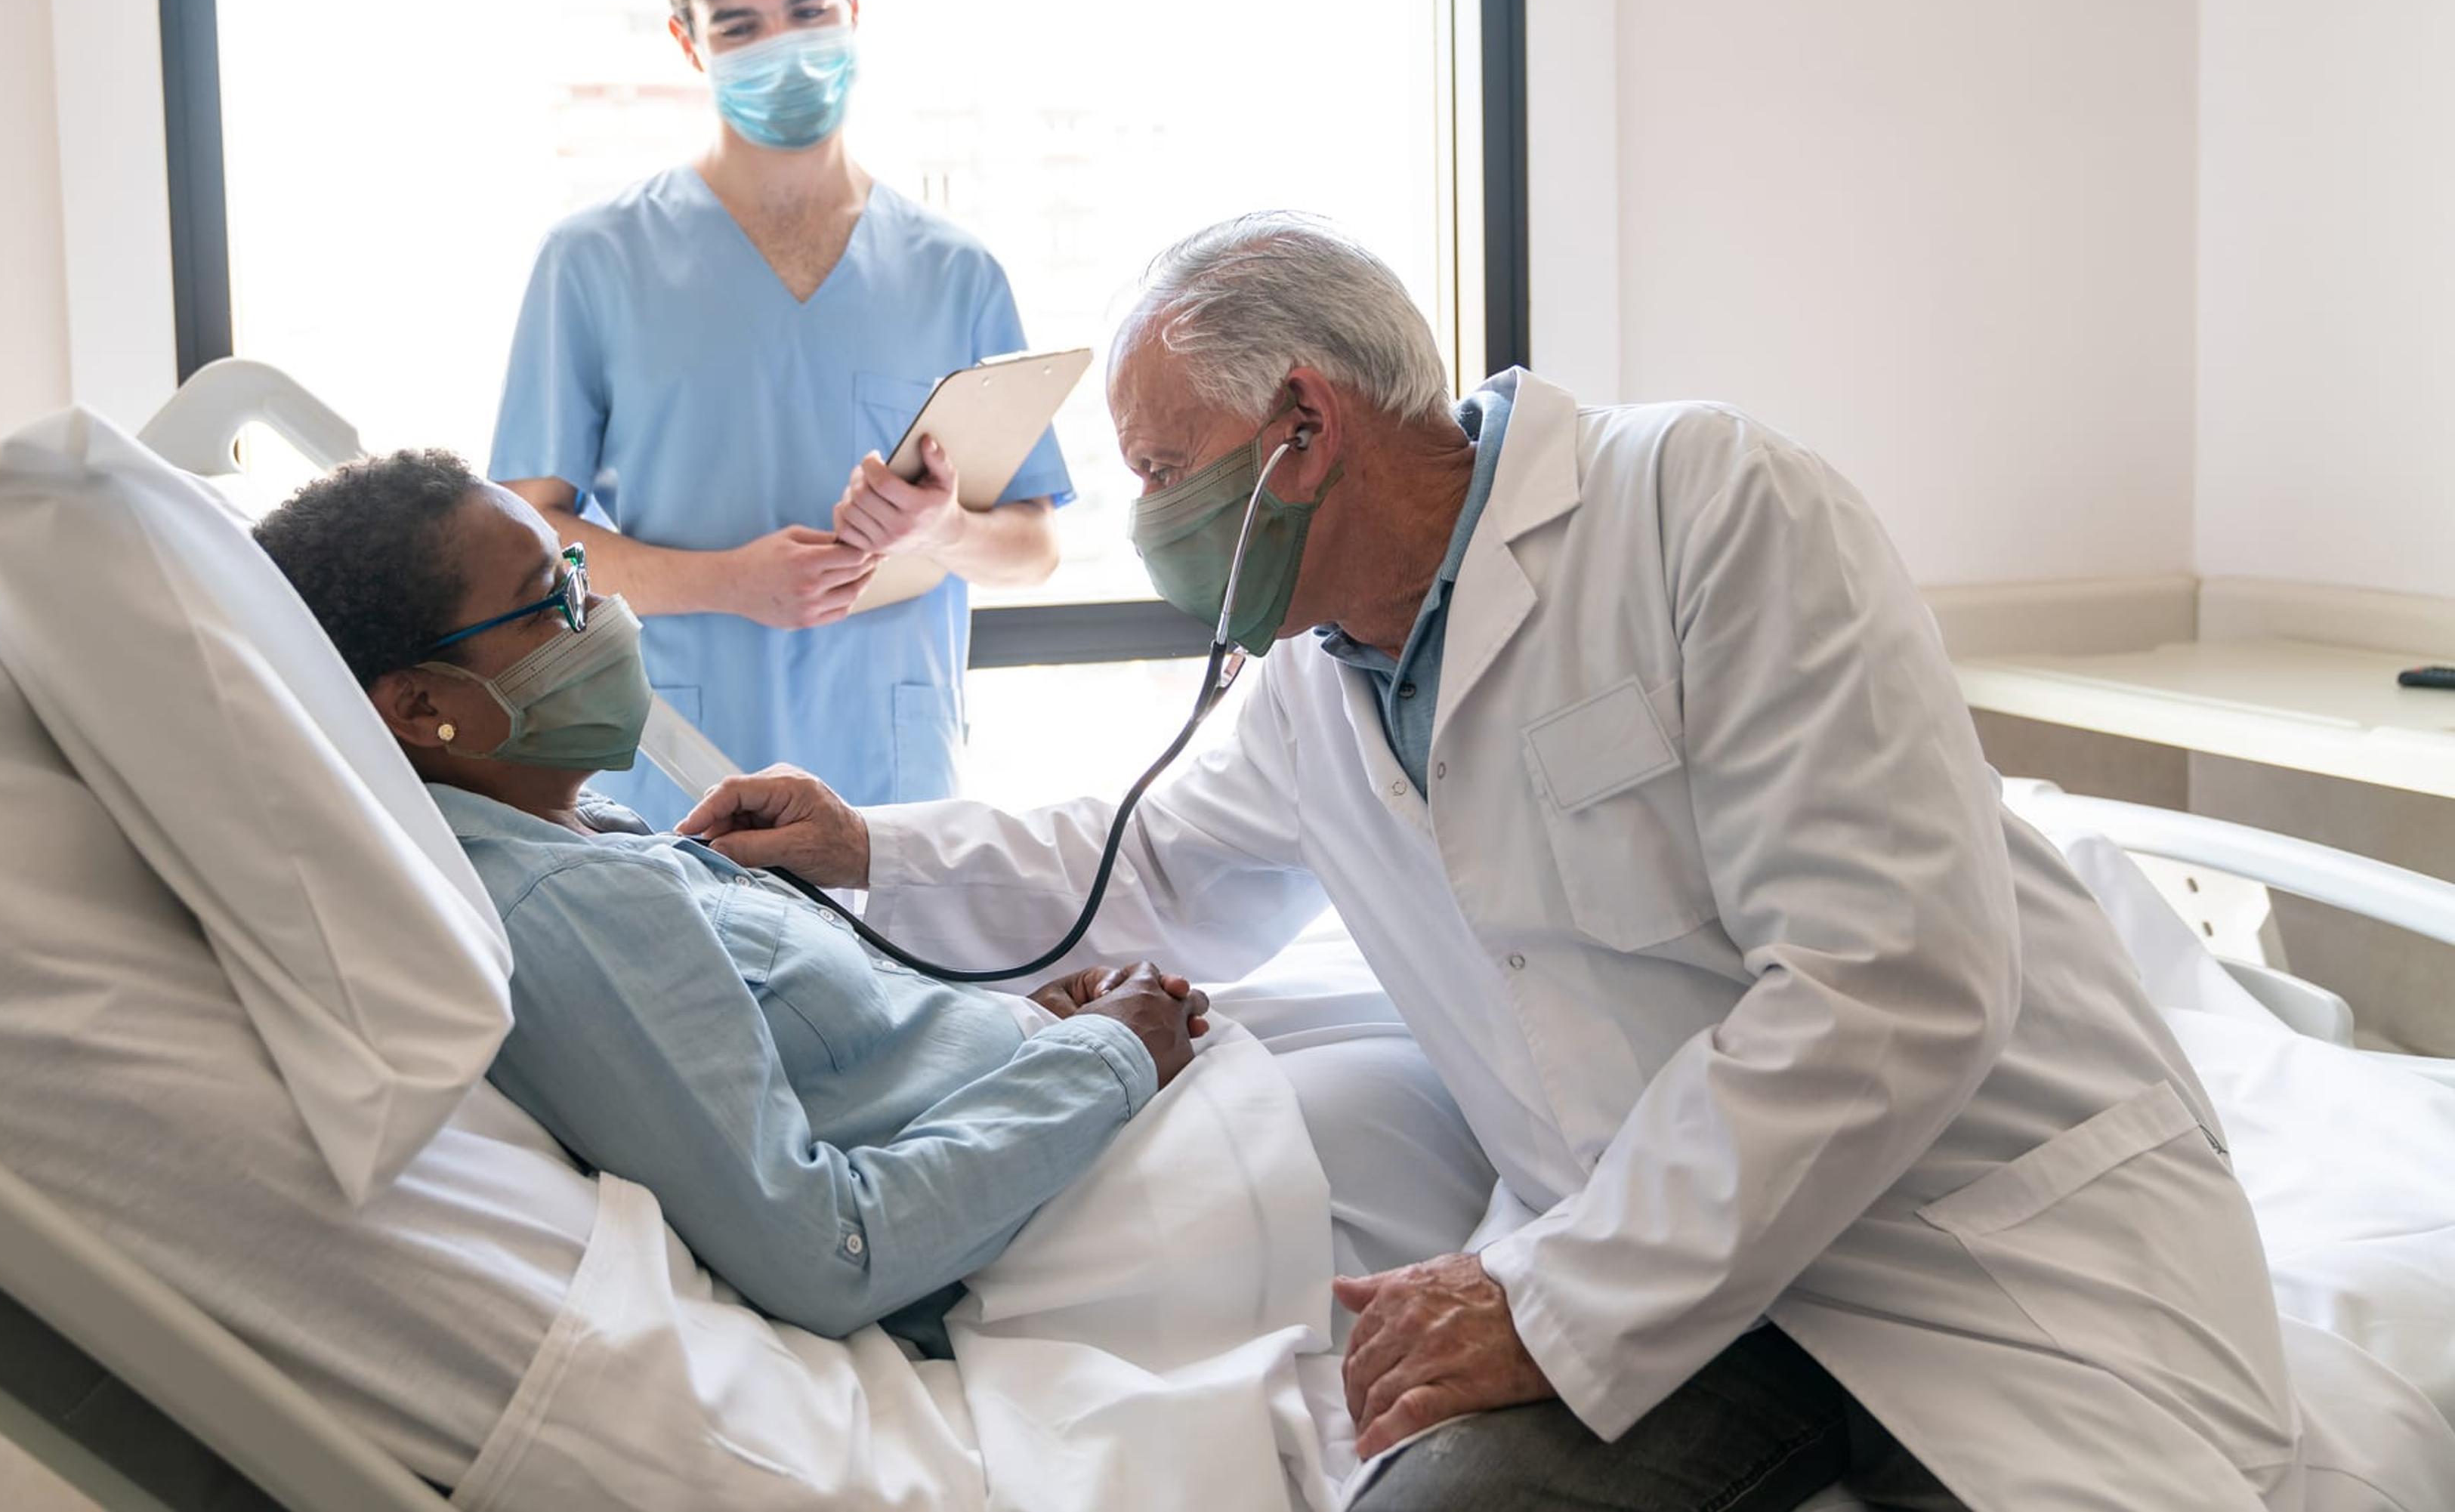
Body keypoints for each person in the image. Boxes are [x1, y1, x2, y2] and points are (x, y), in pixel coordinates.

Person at [676, 215, 2307, 1512]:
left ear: (1304, 424)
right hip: (1679, 1273)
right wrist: (865, 846)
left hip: (1970, 1250)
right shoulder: (1319, 681)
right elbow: (1154, 864)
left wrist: (1545, 1302)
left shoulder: (1704, 508)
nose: (1152, 522)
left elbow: (1895, 978)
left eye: (1167, 470)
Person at [249, 449, 1179, 1352]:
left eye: (579, 571)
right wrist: (1108, 1056)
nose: (606, 610)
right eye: (553, 602)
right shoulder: (564, 904)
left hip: (1058, 1123)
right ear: (417, 708)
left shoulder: (568, 827)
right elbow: (829, 1251)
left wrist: (1013, 1026)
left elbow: (828, 1059)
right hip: (1070, 1216)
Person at [493, 0, 1068, 829]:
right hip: (677, 789)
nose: (785, 49)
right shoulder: (594, 263)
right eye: (741, 28)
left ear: (853, 0)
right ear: (687, 42)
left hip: (896, 800)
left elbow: (1037, 547)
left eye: (808, 13)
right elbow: (534, 555)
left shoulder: (955, 274)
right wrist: (724, 583)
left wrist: (947, 530)